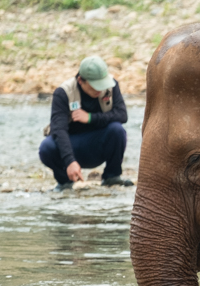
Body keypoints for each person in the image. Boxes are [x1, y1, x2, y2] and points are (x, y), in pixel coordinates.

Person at [38, 55, 134, 191]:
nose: (99, 90)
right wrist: (70, 160)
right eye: (95, 86)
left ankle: (112, 177)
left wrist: (90, 118)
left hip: (99, 144)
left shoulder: (111, 86)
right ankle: (65, 182)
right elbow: (59, 130)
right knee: (46, 147)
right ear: (80, 80)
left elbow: (122, 115)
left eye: (102, 85)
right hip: (73, 146)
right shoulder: (63, 93)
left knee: (117, 130)